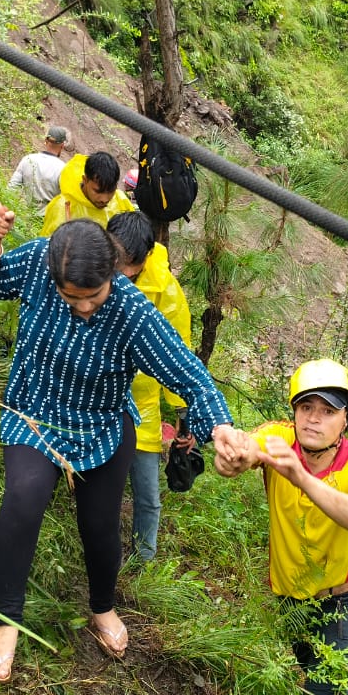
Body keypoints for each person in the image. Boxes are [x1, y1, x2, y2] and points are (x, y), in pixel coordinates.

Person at [0, 202, 237, 682]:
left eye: (94, 295)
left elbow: (191, 377)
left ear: (113, 271)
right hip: (34, 413)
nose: (85, 307)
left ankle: (102, 607)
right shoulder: (38, 262)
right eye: (73, 298)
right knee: (22, 501)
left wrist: (222, 430)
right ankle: (7, 622)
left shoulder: (132, 312)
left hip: (101, 426)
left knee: (101, 526)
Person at [215, 359, 348, 695]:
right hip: (291, 593)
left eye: (328, 410)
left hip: (344, 597)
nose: (314, 418)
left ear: (347, 418)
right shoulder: (278, 438)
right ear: (293, 411)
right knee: (314, 671)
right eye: (306, 407)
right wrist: (233, 457)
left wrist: (299, 476)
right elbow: (249, 448)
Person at [107, 210, 192, 561]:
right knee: (102, 493)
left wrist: (184, 415)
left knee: (147, 496)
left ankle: (144, 561)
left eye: (130, 264)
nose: (123, 272)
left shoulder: (165, 291)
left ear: (145, 257)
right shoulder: (94, 270)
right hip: (99, 402)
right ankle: (103, 555)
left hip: (142, 408)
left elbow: (177, 355)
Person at [41, 151, 134, 236]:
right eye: (97, 191)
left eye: (111, 191)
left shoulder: (121, 202)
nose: (104, 199)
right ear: (85, 180)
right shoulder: (63, 207)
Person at [8, 125, 68, 214]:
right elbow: (67, 200)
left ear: (46, 141)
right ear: (62, 145)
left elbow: (12, 187)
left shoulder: (28, 159)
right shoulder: (63, 168)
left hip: (27, 217)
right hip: (50, 219)